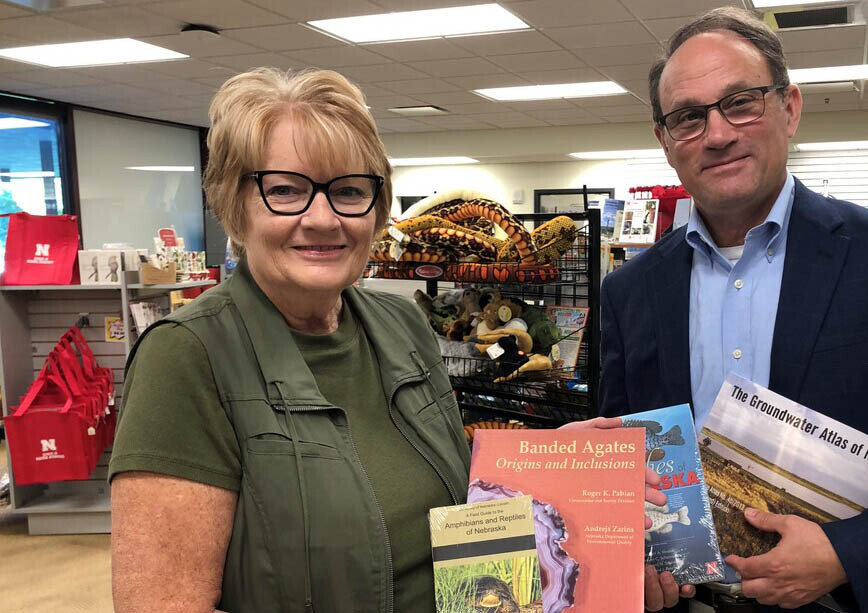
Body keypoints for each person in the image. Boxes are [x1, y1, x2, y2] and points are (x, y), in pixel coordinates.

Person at [110, 67, 668, 613]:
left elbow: (463, 500)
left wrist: (552, 464)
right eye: (285, 190)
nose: (324, 218)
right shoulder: (187, 355)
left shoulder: (400, 323)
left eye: (350, 191)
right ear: (235, 205)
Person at [599, 7, 868, 613]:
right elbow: (622, 459)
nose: (718, 133)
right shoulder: (630, 290)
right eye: (688, 118)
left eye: (741, 102)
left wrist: (845, 553)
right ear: (665, 140)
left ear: (790, 107)